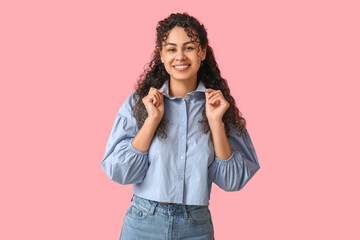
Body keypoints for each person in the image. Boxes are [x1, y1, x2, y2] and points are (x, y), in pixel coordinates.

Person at [101, 12, 260, 240]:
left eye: (189, 47)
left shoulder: (219, 106)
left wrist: (215, 123)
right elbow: (119, 172)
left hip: (195, 226)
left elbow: (233, 181)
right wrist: (152, 121)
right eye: (171, 49)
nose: (180, 57)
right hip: (143, 222)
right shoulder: (140, 103)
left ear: (202, 52)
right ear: (161, 55)